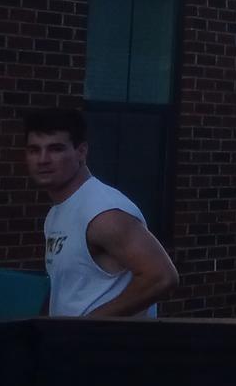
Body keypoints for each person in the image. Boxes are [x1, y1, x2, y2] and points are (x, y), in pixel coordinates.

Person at [23, 107, 179, 318]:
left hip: (107, 347)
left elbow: (161, 277)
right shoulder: (58, 213)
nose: (43, 159)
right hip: (69, 345)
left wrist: (90, 325)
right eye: (34, 150)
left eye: (56, 149)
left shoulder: (104, 212)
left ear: (81, 151)